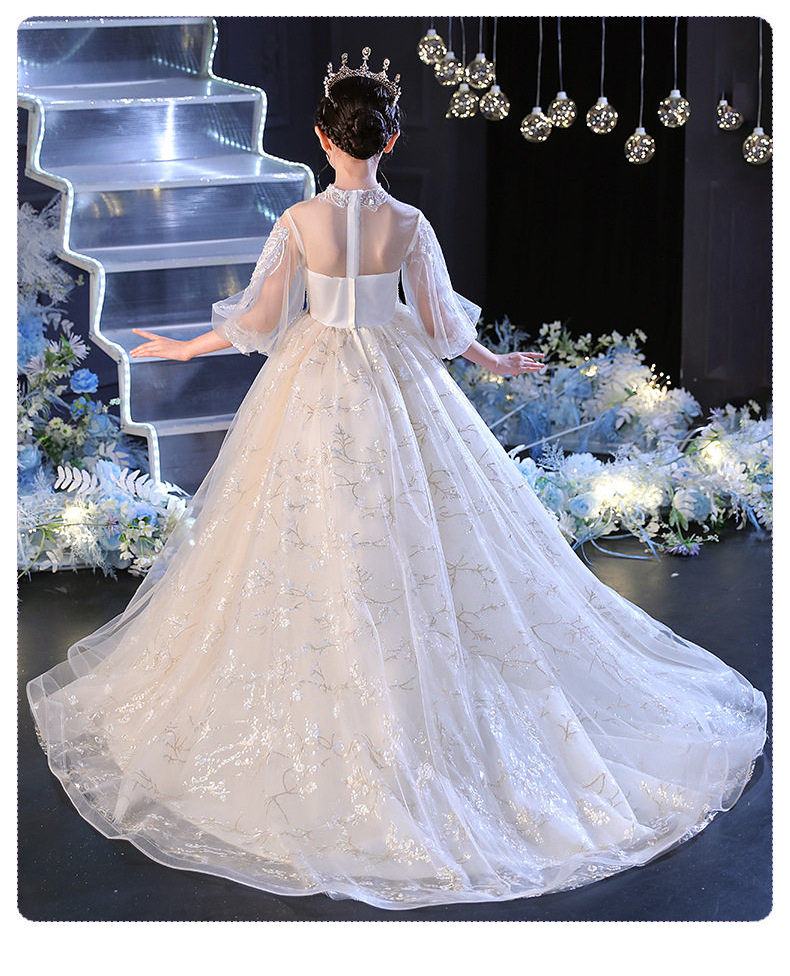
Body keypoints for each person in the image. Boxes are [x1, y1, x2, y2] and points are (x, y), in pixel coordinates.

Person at [27, 48, 767, 912]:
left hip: (311, 379)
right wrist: (494, 359)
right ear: (390, 139)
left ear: (321, 138)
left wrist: (183, 345)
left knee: (308, 525)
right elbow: (443, 326)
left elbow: (259, 319)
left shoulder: (300, 218)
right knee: (417, 523)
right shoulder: (408, 221)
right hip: (394, 375)